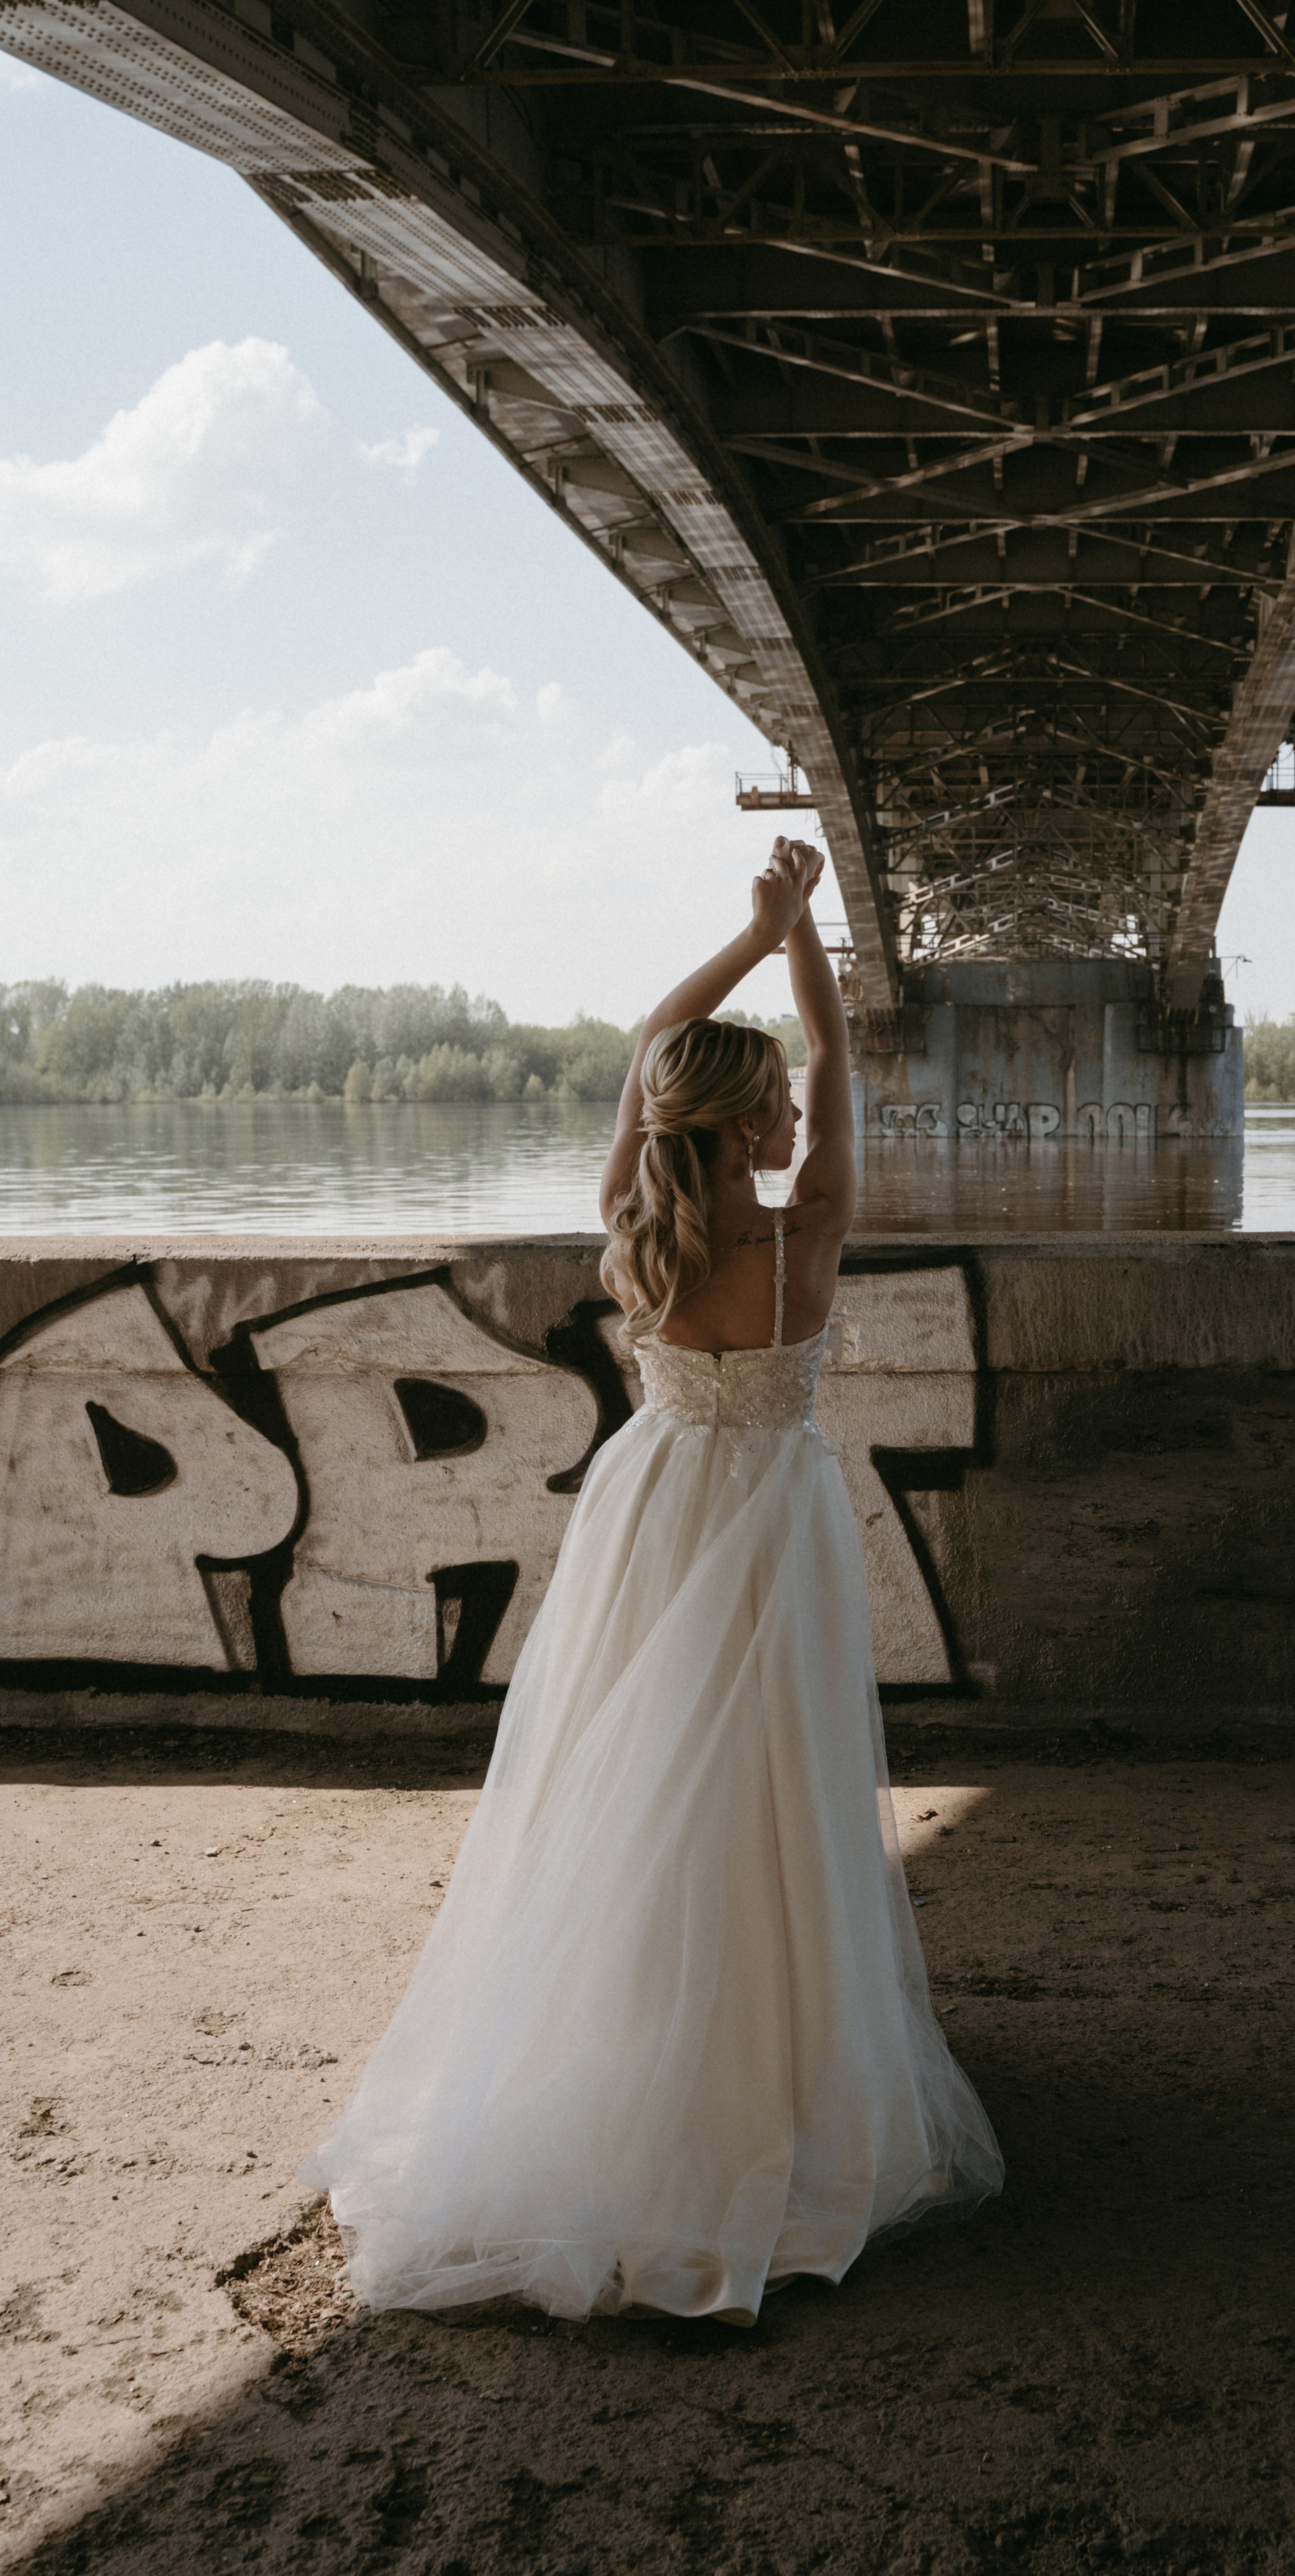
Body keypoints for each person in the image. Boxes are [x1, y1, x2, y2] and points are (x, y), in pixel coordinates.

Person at [299, 837, 1002, 2324]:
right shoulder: (804, 1226)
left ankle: (627, 2049)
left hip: (657, 1501)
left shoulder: (637, 1216)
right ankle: (781, 2073)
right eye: (784, 1103)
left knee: (626, 1770)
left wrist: (751, 940)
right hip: (774, 1510)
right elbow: (835, 1056)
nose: (801, 1107)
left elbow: (645, 1051)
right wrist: (803, 934)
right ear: (754, 1119)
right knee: (772, 1785)